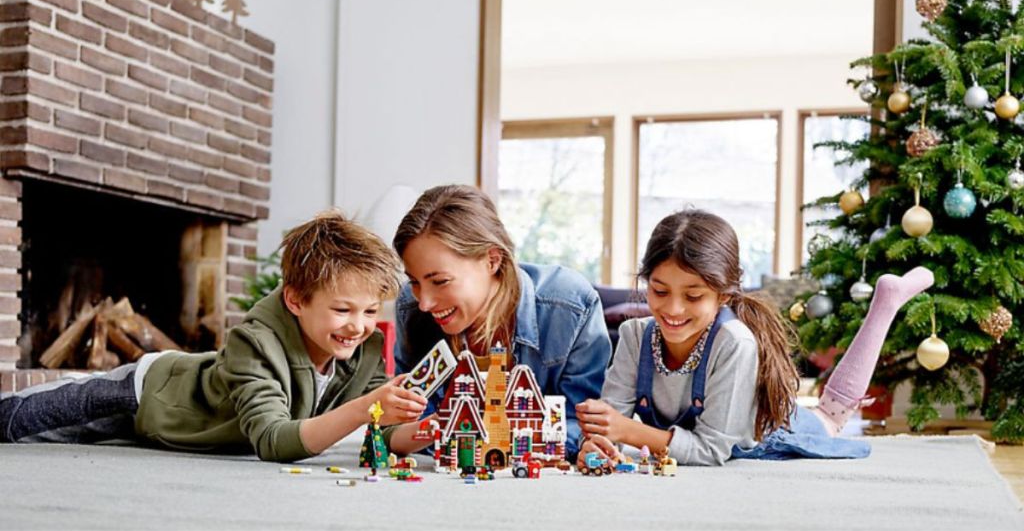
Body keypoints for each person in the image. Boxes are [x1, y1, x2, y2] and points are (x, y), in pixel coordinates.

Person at [0, 210, 428, 462]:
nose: (359, 325)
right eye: (342, 310)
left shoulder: (364, 350)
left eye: (371, 311)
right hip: (146, 393)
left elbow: (383, 431)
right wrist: (363, 408)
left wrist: (429, 431)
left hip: (185, 426)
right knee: (18, 423)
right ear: (296, 300)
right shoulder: (255, 343)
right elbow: (274, 440)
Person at [575, 209, 933, 466]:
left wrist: (629, 432)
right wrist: (599, 444)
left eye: (694, 296)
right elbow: (611, 422)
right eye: (659, 290)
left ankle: (886, 304)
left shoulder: (734, 342)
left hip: (781, 430)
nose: (674, 309)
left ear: (724, 296)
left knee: (832, 416)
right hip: (701, 435)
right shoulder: (634, 334)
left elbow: (712, 450)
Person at [390, 184, 612, 460]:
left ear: (492, 260)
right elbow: (407, 422)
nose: (424, 302)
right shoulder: (410, 307)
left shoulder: (570, 307)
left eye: (440, 281)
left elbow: (582, 424)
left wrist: (499, 439)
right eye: (414, 281)